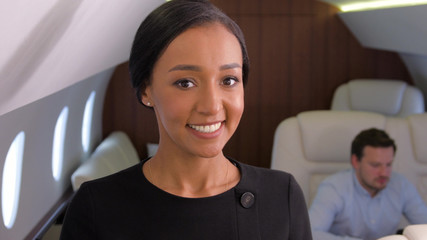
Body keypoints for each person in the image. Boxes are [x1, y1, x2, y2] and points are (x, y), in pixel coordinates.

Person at [60, 0, 312, 239]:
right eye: (185, 83)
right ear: (146, 89)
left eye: (228, 80)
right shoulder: (97, 207)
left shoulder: (282, 196)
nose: (212, 106)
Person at [309, 128, 427, 240]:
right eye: (375, 165)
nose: (384, 173)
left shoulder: (401, 185)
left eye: (389, 164)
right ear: (355, 161)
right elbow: (311, 233)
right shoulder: (334, 187)